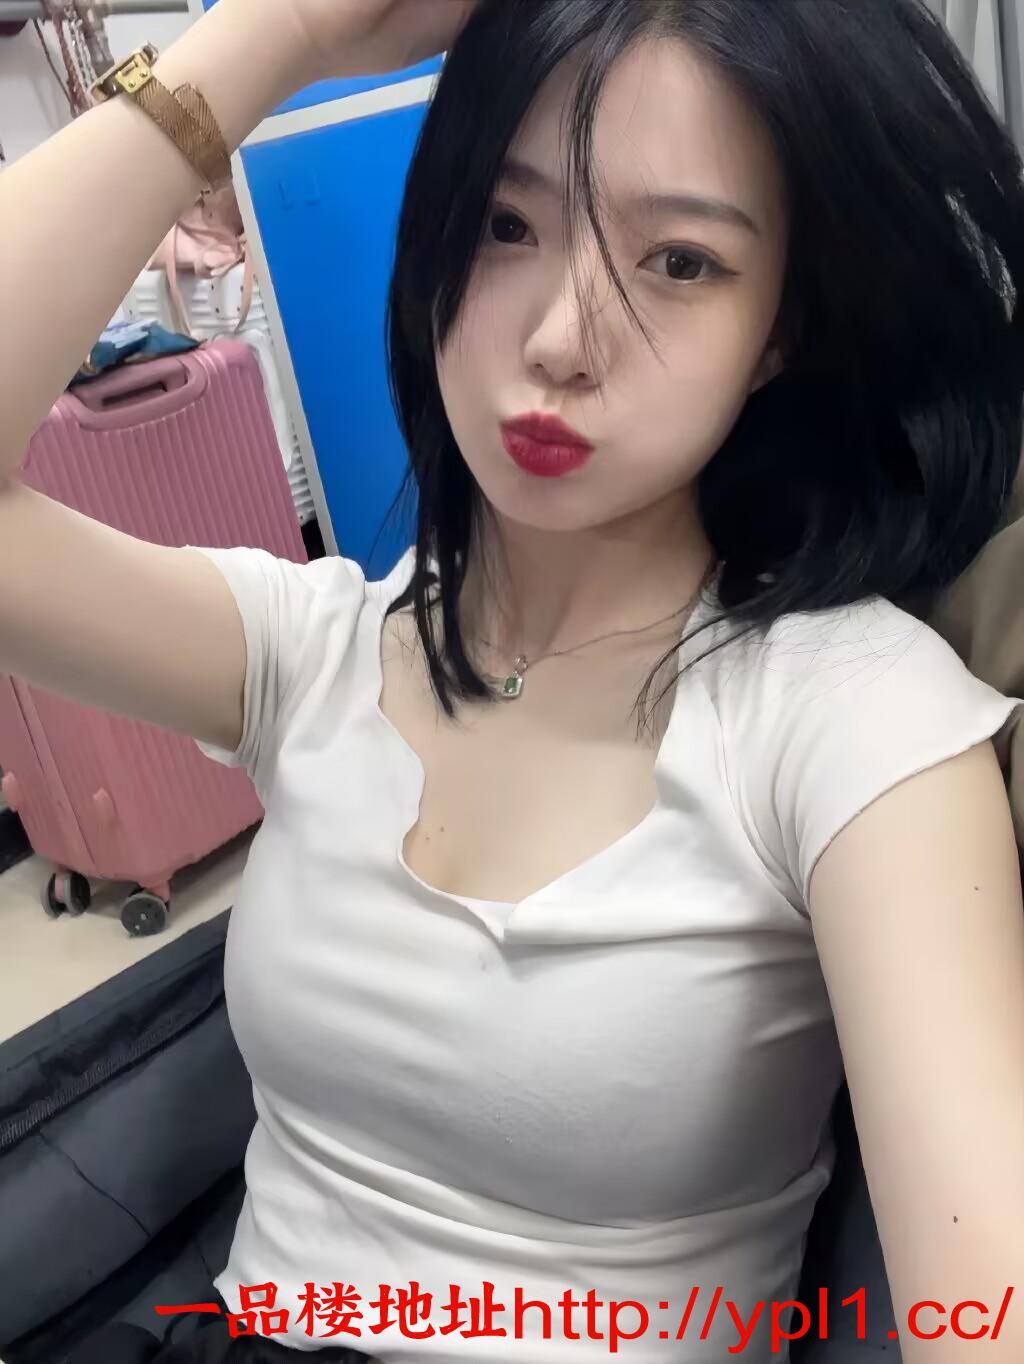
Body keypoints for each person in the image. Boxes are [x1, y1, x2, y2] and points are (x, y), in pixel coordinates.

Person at [2, 0, 1023, 1360]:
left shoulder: (858, 720)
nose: (558, 337)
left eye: (680, 261)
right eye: (505, 222)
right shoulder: (313, 649)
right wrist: (276, 36)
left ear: (780, 327)